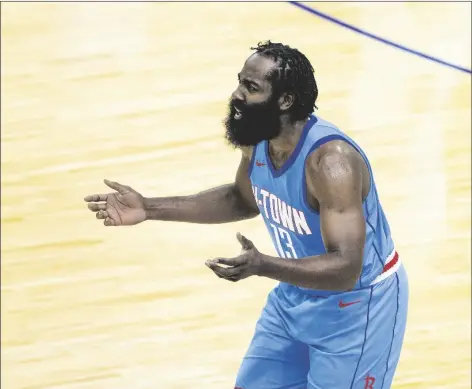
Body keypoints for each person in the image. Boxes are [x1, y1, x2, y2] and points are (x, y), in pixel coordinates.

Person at [84, 41, 408, 389]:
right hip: (297, 291)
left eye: (251, 88)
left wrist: (263, 265)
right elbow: (242, 199)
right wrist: (149, 207)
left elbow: (345, 269)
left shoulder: (330, 164)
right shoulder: (258, 140)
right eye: (240, 82)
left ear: (285, 101)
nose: (236, 95)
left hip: (358, 307)